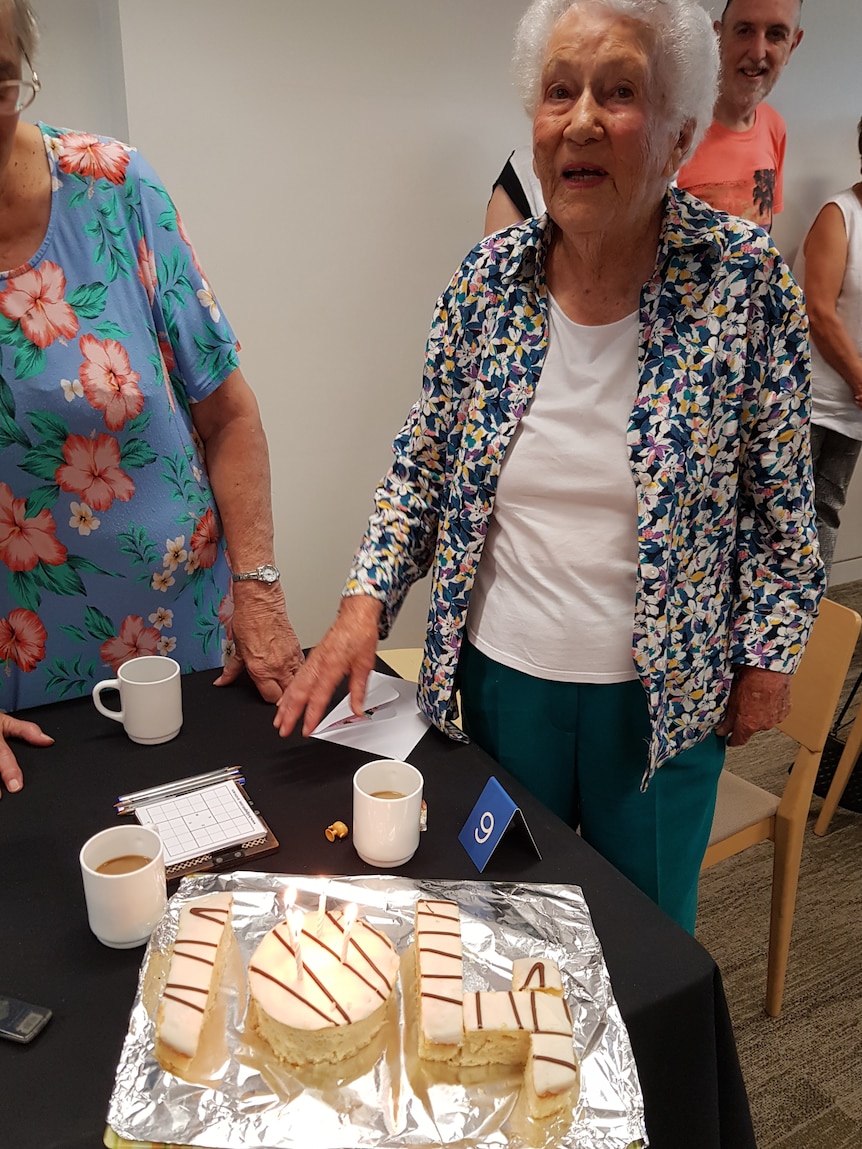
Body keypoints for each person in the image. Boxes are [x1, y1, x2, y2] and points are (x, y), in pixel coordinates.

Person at [275, 0, 823, 934]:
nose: (580, 119)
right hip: (499, 686)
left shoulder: (743, 280)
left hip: (660, 700)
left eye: (618, 93)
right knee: (499, 925)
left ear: (679, 130)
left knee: (640, 939)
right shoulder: (486, 281)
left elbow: (783, 502)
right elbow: (421, 464)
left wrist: (766, 658)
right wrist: (361, 604)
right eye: (558, 91)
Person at [0, 0, 302, 796]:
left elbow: (228, 413)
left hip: (185, 647)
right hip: (18, 689)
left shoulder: (116, 186)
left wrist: (259, 589)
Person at [792, 118, 862, 583]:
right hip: (810, 401)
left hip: (853, 410)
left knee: (826, 511)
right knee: (782, 516)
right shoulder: (840, 215)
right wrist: (860, 379)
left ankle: (807, 624)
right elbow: (817, 310)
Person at [675, 0, 804, 229]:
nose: (757, 52)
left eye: (775, 34)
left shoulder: (775, 127)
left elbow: (764, 236)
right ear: (717, 38)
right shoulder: (673, 129)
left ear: (792, 46)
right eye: (744, 31)